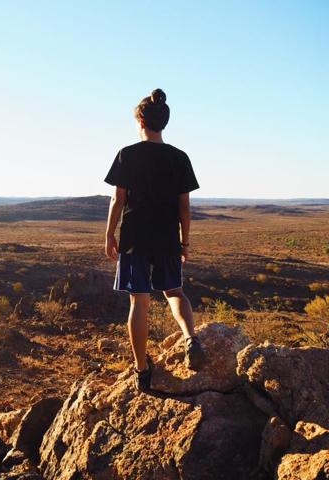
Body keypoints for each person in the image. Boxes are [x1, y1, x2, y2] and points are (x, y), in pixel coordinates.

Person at [103, 88, 205, 392]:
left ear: (141, 121)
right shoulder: (179, 158)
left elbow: (118, 200)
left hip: (134, 236)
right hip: (166, 236)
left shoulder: (127, 154)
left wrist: (109, 234)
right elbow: (184, 207)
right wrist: (184, 242)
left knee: (139, 300)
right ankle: (190, 338)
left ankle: (141, 370)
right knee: (174, 291)